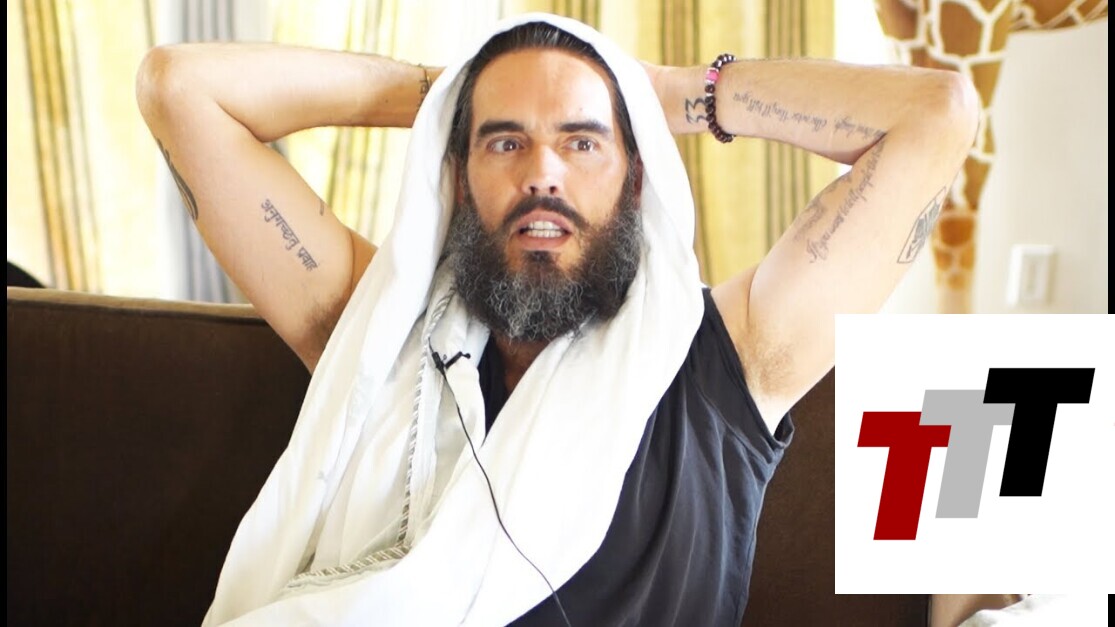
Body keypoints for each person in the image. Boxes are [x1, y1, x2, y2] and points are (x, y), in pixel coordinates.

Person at [136, 12, 978, 626]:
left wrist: (674, 94)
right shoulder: (379, 334)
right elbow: (179, 87)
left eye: (582, 142)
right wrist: (452, 89)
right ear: (456, 177)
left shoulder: (729, 360)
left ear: (635, 180)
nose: (543, 171)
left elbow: (934, 114)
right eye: (503, 141)